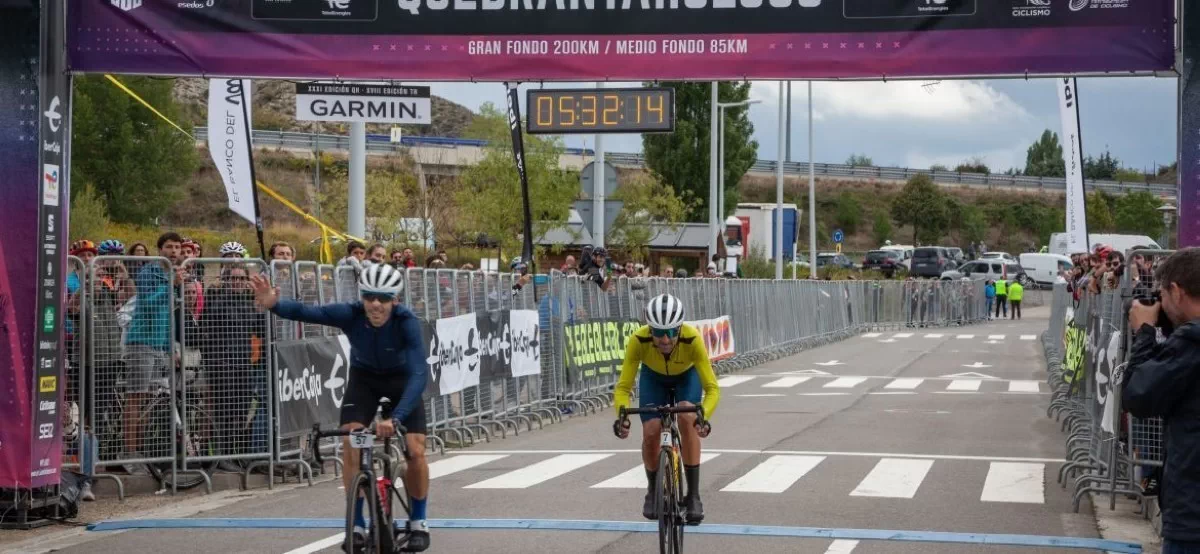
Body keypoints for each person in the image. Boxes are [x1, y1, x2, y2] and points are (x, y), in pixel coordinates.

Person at [251, 264, 432, 551]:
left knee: (416, 448)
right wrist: (274, 304)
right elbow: (308, 313)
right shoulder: (351, 314)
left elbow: (419, 373)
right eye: (369, 296)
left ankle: (418, 522)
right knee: (351, 439)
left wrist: (396, 419)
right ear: (361, 297)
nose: (375, 304)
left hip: (402, 382)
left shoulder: (406, 321)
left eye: (383, 298)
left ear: (394, 300)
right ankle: (357, 523)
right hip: (365, 381)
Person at [613, 294, 718, 524]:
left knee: (687, 416)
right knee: (651, 430)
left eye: (670, 332)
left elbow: (712, 388)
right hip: (654, 378)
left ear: (679, 329)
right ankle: (652, 490)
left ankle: (693, 496)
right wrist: (622, 415)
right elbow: (623, 388)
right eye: (658, 333)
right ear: (649, 330)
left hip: (686, 378)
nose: (664, 339)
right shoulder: (638, 341)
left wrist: (704, 417)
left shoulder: (692, 339)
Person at [1121, 248, 1200, 553]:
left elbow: (1138, 397)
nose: (1161, 303)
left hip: (1192, 514)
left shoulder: (1191, 343)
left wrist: (1145, 333)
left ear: (1177, 292)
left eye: (1162, 294)